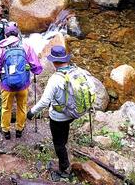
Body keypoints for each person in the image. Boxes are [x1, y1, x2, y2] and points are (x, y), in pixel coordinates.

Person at [27, 45, 95, 181]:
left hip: (59, 117)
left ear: (54, 62)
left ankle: (64, 169)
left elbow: (45, 102)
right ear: (65, 59)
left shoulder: (55, 79)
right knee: (64, 132)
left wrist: (31, 112)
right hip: (74, 113)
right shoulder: (77, 71)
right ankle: (64, 143)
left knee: (58, 144)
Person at [0, 30, 42, 140]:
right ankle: (19, 130)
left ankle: (6, 131)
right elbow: (36, 67)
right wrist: (35, 71)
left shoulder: (1, 48)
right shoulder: (26, 46)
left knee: (6, 108)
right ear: (18, 35)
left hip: (7, 85)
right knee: (22, 107)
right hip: (23, 84)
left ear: (5, 35)